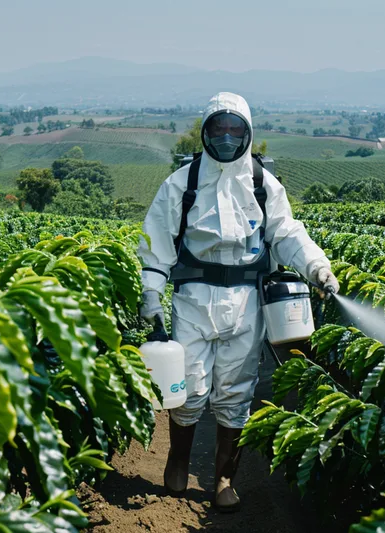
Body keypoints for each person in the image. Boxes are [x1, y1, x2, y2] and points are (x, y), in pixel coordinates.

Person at [137, 92, 339, 512]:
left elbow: (285, 234)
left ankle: (224, 478)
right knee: (188, 388)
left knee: (236, 390)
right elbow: (156, 242)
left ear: (247, 134)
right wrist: (151, 294)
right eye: (218, 129)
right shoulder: (182, 183)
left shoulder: (263, 183)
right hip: (193, 298)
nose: (226, 137)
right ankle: (177, 458)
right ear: (207, 132)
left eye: (234, 130)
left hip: (246, 302)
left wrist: (317, 267)